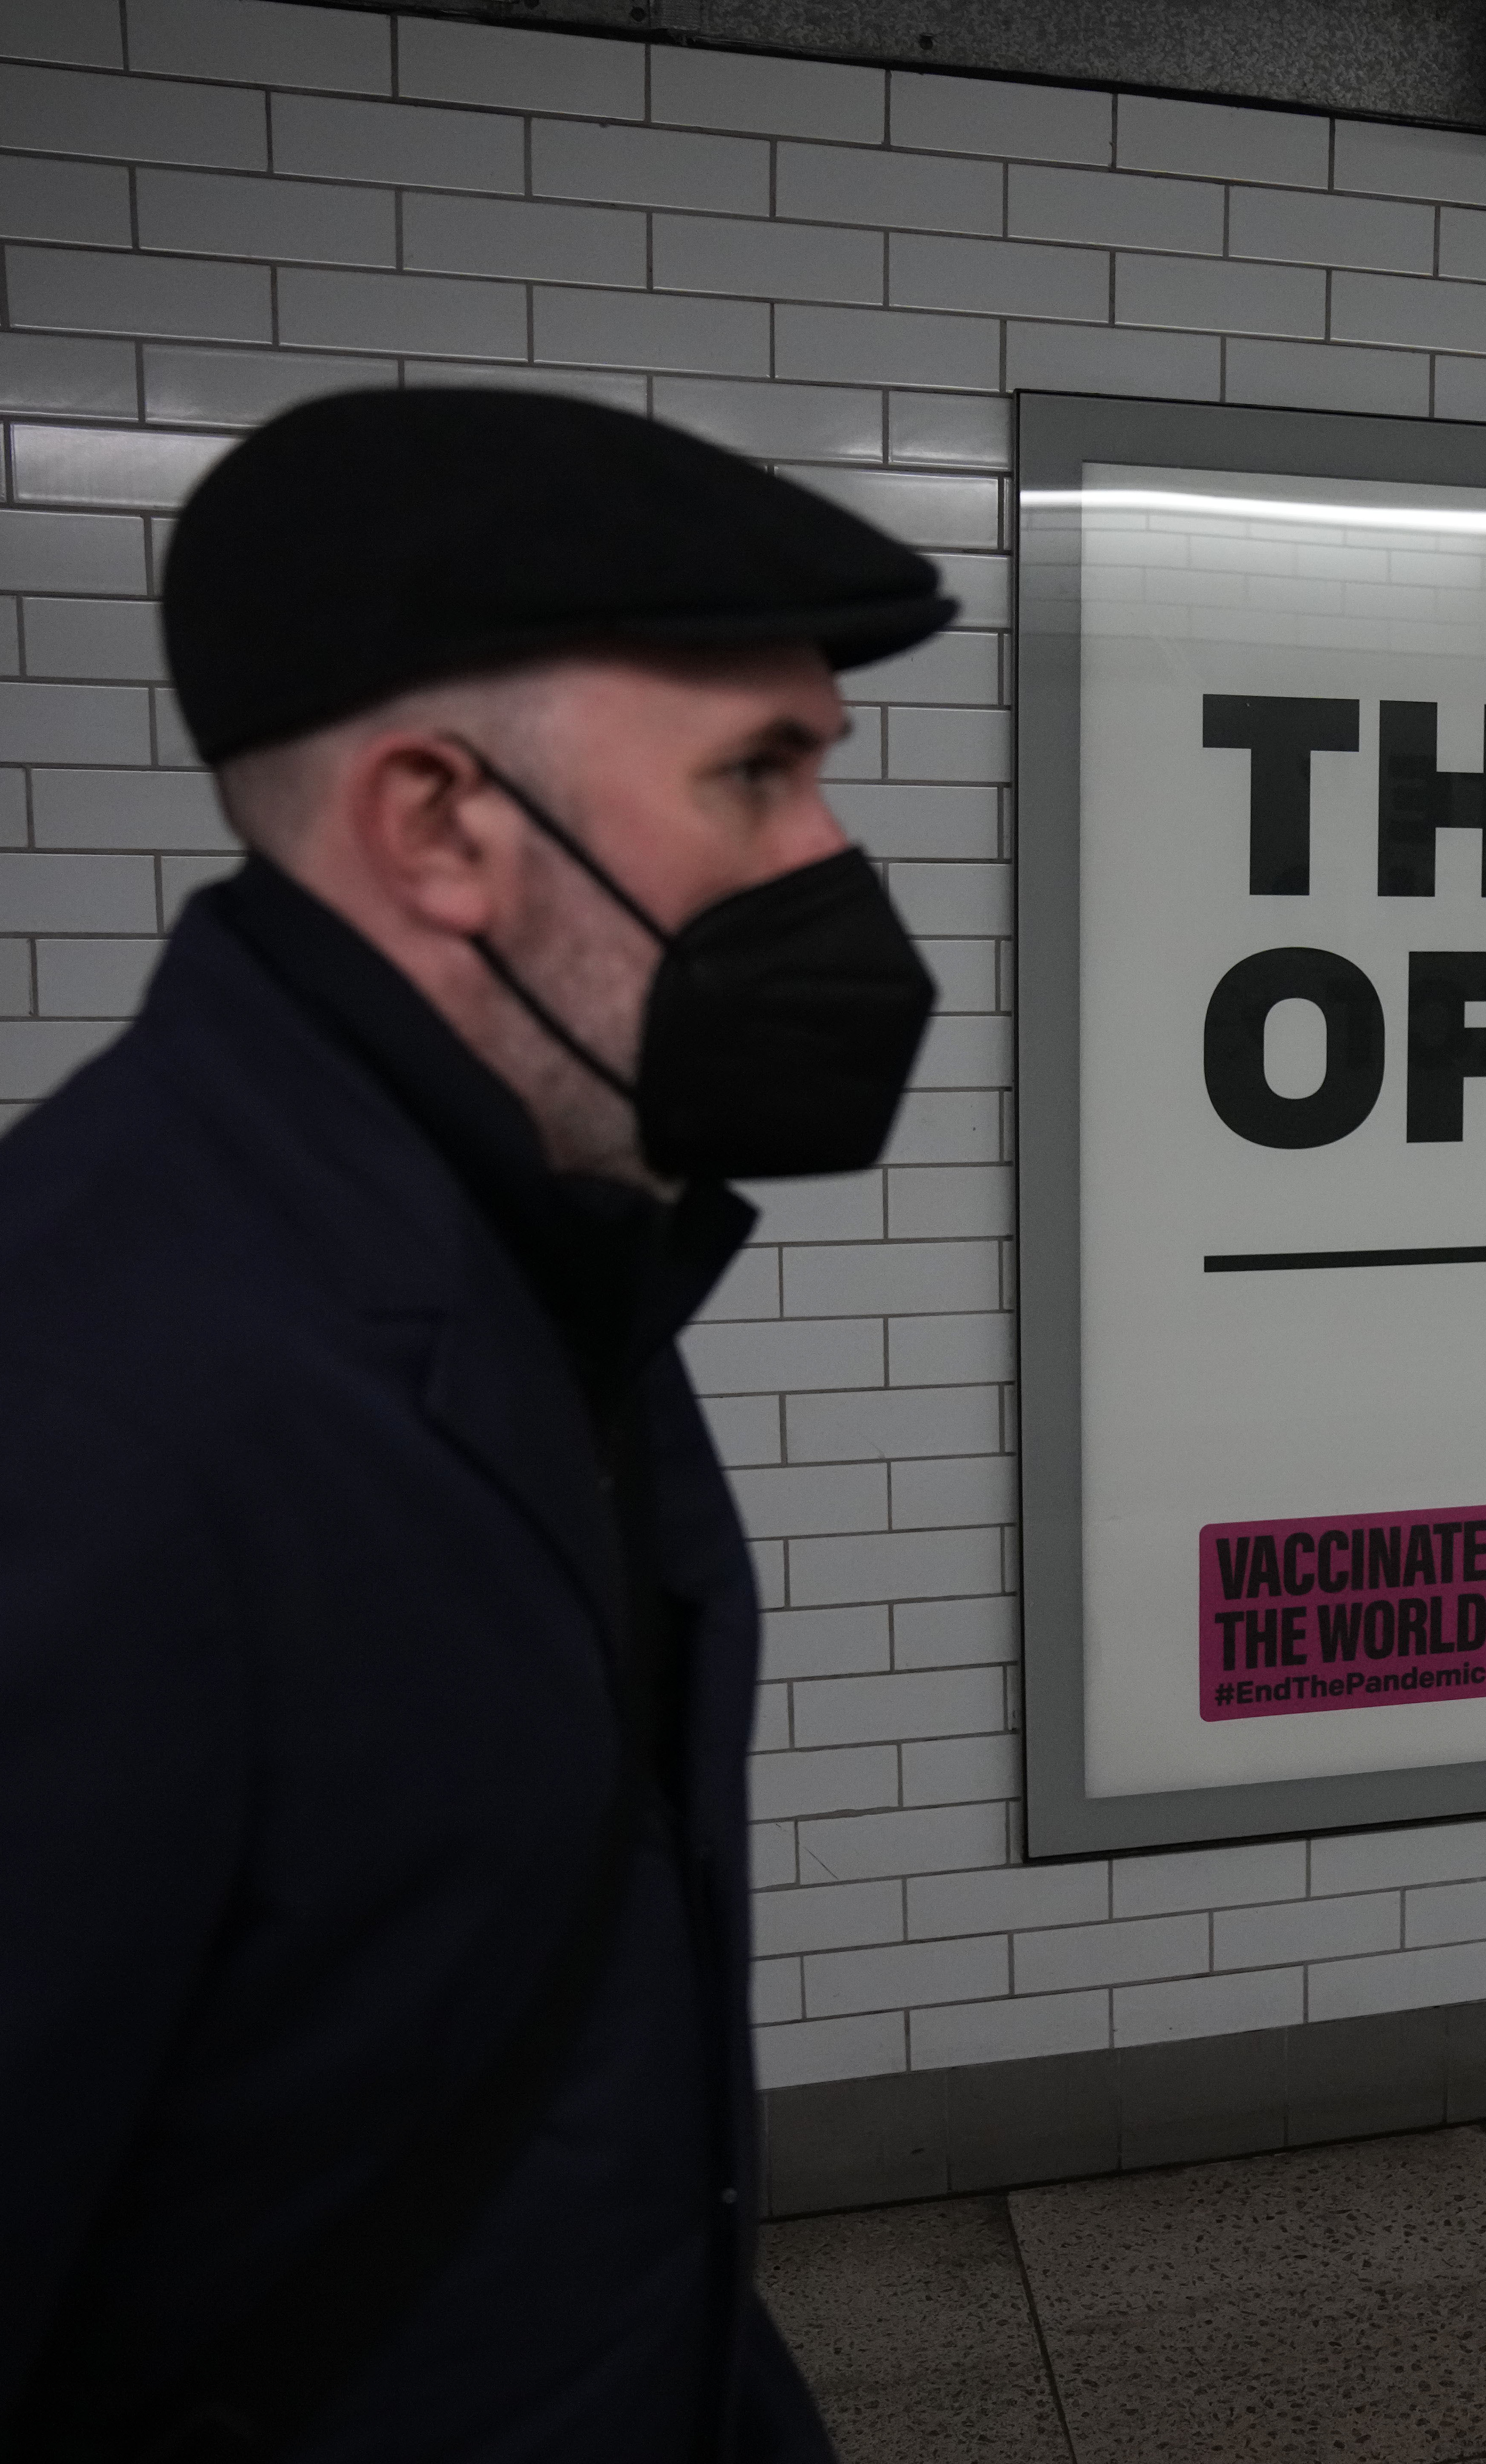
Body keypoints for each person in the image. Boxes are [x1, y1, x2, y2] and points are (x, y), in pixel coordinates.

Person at [0, 388, 956, 2461]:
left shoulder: (550, 1254)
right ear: (437, 825)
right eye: (758, 777)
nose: (833, 868)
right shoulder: (85, 1408)